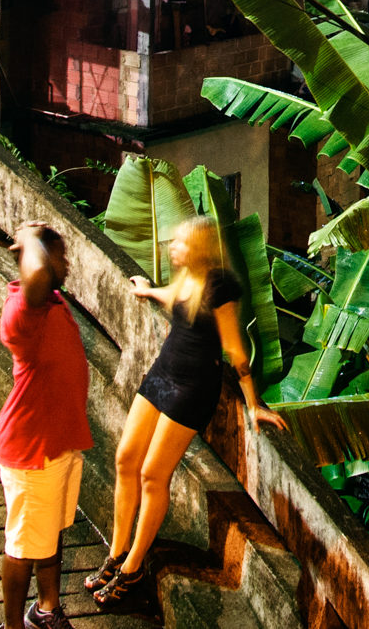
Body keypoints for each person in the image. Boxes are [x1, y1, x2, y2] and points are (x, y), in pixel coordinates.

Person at [84, 216, 287, 608]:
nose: (172, 248)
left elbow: (236, 351)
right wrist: (147, 290)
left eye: (179, 243)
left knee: (151, 474)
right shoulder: (188, 278)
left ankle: (134, 567)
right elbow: (174, 298)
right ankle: (117, 551)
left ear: (198, 248)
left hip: (193, 387)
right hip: (163, 372)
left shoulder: (220, 286)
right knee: (126, 458)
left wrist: (253, 403)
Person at [0, 222, 92, 629]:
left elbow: (42, 274)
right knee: (23, 545)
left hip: (58, 443)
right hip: (32, 450)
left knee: (50, 533)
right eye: (60, 256)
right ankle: (13, 626)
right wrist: (27, 237)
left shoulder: (52, 300)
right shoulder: (23, 311)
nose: (67, 264)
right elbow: (35, 271)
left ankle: (47, 610)